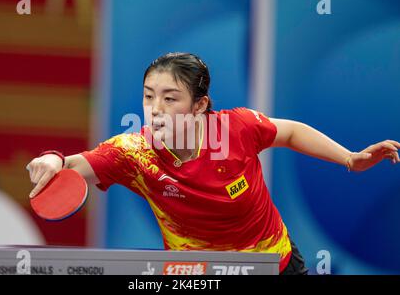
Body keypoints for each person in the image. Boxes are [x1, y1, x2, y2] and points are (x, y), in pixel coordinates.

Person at [26, 52, 399, 275]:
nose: (155, 110)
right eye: (148, 97)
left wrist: (350, 158)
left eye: (170, 99)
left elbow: (288, 132)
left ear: (200, 105)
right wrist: (52, 160)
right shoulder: (134, 153)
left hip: (273, 264)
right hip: (196, 276)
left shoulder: (237, 129)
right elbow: (77, 165)